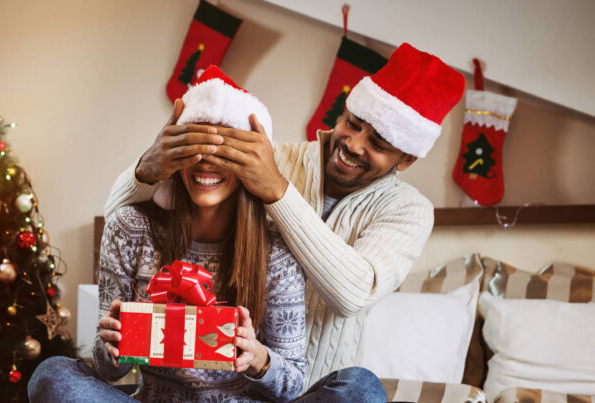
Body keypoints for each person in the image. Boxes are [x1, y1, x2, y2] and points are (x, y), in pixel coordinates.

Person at [104, 42, 466, 393]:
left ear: (406, 160)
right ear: (342, 113)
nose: (355, 144)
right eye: (353, 124)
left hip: (315, 388)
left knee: (361, 387)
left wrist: (277, 190)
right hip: (239, 385)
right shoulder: (271, 154)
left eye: (379, 143)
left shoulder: (408, 210)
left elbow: (353, 294)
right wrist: (146, 170)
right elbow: (119, 222)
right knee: (61, 373)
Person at [29, 66, 384, 402]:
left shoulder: (274, 249)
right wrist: (110, 348)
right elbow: (109, 373)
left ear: (248, 165)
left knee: (362, 388)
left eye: (225, 152)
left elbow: (292, 385)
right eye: (194, 147)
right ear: (175, 154)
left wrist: (258, 358)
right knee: (53, 375)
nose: (206, 162)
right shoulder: (130, 229)